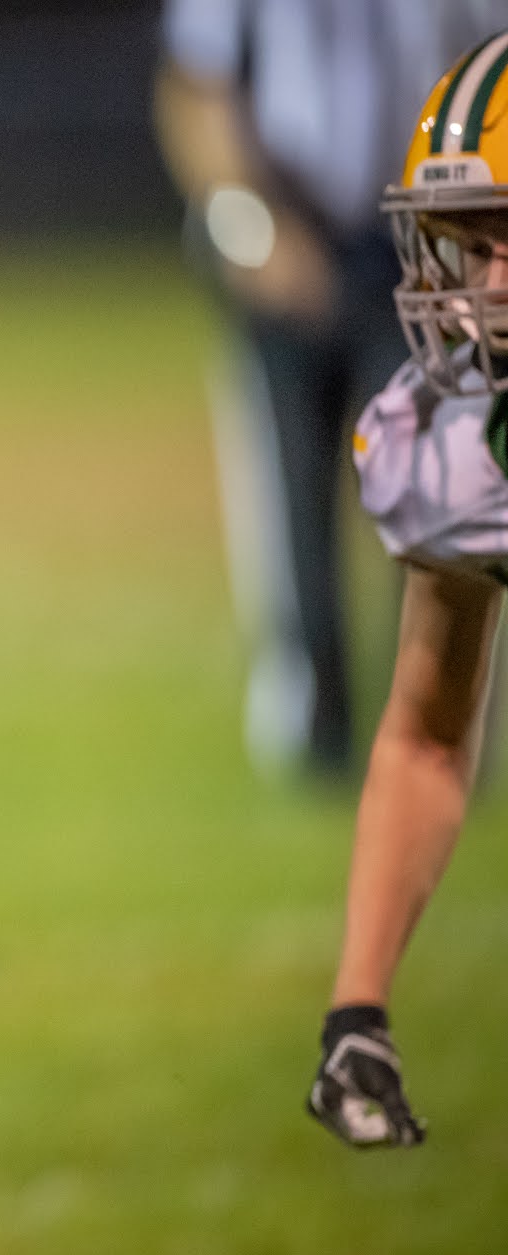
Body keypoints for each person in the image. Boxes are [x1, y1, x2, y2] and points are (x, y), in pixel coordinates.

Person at [154, 0, 503, 778]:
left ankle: (439, 721)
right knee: (295, 502)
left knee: (436, 492)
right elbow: (194, 87)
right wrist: (251, 227)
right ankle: (318, 725)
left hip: (421, 239)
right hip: (285, 226)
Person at [308, 33, 508, 1149]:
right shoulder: (459, 447)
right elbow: (428, 737)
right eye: (465, 244)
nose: (484, 291)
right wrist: (357, 1004)